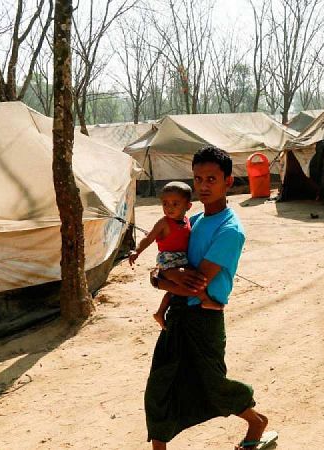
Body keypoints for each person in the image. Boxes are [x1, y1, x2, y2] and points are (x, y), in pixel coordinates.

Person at [144, 146, 272, 450]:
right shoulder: (194, 221)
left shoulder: (230, 230)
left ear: (228, 182)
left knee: (212, 385)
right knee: (160, 387)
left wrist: (159, 279)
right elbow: (168, 263)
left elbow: (193, 283)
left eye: (212, 179)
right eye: (198, 178)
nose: (203, 185)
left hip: (204, 317)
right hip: (179, 313)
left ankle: (255, 421)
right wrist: (161, 276)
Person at [128, 181, 223, 330]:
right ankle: (205, 299)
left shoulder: (187, 221)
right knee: (192, 282)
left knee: (176, 288)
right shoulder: (164, 223)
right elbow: (149, 238)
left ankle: (160, 312)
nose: (169, 208)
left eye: (175, 204)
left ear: (188, 206)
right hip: (169, 259)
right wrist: (137, 251)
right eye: (165, 204)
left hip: (181, 258)